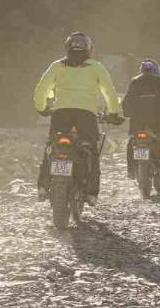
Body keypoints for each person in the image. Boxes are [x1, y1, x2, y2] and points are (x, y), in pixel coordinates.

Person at [33, 32, 121, 205]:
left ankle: (43, 186)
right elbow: (109, 92)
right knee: (92, 151)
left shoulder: (57, 66)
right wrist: (114, 113)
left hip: (61, 114)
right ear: (89, 49)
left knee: (52, 147)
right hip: (86, 115)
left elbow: (41, 88)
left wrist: (41, 107)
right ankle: (91, 193)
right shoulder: (96, 67)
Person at [121, 59, 160, 180]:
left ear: (141, 70)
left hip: (137, 120)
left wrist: (128, 114)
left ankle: (131, 170)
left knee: (132, 140)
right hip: (157, 118)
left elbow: (127, 101)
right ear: (156, 70)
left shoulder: (134, 81)